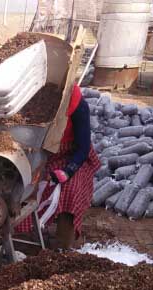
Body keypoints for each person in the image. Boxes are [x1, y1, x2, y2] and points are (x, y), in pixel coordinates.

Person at [16, 84, 101, 249]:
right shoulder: (36, 102)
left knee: (71, 190)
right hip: (44, 154)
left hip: (73, 157)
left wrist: (67, 171)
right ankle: (20, 229)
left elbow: (83, 148)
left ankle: (62, 246)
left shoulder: (78, 107)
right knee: (24, 184)